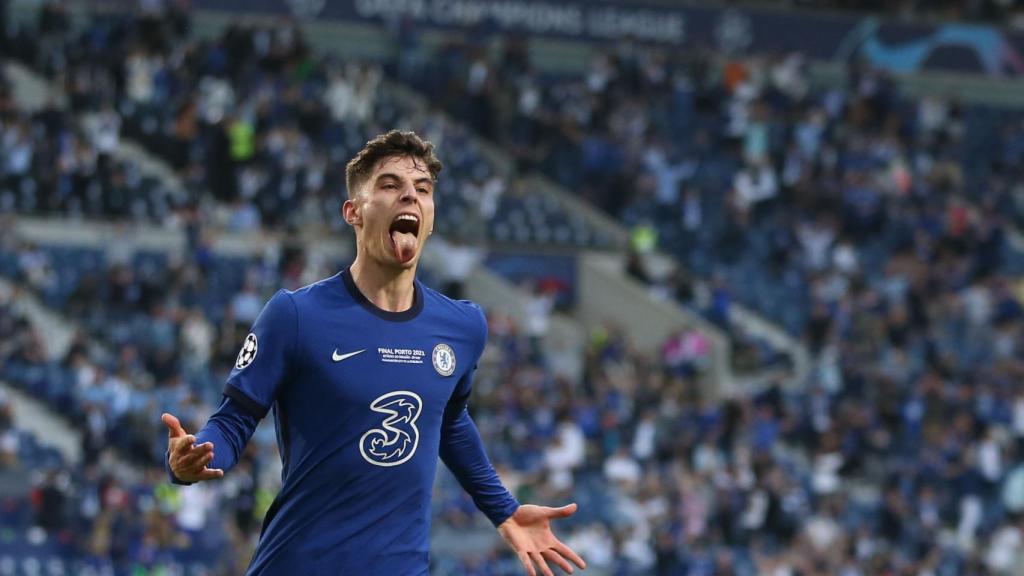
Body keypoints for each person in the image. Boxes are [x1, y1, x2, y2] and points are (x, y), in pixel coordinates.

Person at [161, 130, 586, 576]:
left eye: (422, 189)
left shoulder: (462, 326)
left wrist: (504, 509)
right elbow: (234, 420)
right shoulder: (296, 315)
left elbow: (448, 419)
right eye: (389, 185)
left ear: (431, 217)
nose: (410, 195)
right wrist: (197, 457)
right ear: (354, 212)